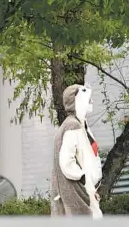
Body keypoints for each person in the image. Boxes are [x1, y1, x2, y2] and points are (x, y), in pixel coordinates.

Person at [50, 84, 103, 219]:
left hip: (85, 192)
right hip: (78, 194)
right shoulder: (72, 125)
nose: (91, 103)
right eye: (88, 99)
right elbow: (66, 163)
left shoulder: (78, 123)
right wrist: (84, 180)